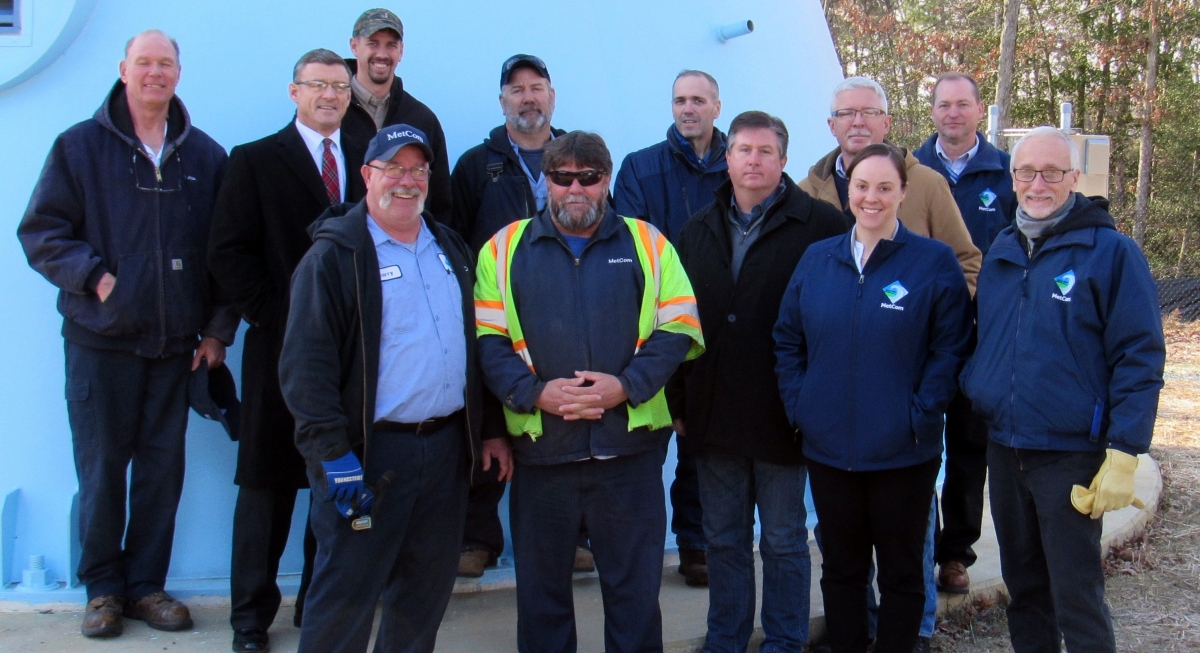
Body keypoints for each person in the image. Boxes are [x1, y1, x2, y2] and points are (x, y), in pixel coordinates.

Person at [17, 29, 236, 639]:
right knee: (103, 469)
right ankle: (104, 590)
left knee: (163, 473)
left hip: (175, 349)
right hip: (99, 344)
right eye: (144, 63)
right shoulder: (80, 148)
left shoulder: (205, 157)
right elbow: (41, 232)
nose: (154, 73)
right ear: (123, 70)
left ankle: (146, 588)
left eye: (165, 63)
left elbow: (225, 254)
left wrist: (217, 331)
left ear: (178, 73)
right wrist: (96, 278)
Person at [279, 124, 507, 653]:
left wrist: (489, 431)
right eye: (393, 168)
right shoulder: (335, 258)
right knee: (345, 599)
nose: (406, 181)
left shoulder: (450, 248)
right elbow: (304, 370)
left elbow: (478, 349)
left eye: (418, 170)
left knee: (423, 598)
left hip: (446, 453)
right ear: (366, 175)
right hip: (369, 458)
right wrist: (331, 457)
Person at [475, 131, 704, 653]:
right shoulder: (503, 249)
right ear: (546, 183)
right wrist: (534, 394)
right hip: (542, 455)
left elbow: (679, 328)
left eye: (589, 176)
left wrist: (625, 387)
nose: (575, 188)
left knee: (635, 599)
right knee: (542, 601)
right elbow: (486, 340)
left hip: (630, 454)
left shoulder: (649, 243)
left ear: (606, 181)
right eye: (562, 177)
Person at [961, 126, 1165, 653]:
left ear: (1074, 178)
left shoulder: (1112, 253)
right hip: (1006, 448)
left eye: (1052, 172)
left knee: (1075, 594)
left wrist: (1125, 449)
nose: (1038, 184)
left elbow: (1139, 355)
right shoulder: (1003, 249)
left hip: (1069, 455)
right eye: (1026, 172)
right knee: (1024, 591)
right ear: (1012, 178)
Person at [775, 143, 972, 653]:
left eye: (885, 187)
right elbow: (788, 339)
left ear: (903, 193)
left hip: (903, 451)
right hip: (828, 448)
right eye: (862, 186)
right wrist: (803, 407)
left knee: (903, 573)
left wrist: (920, 413)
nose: (872, 197)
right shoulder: (818, 260)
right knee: (841, 571)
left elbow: (950, 348)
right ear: (848, 193)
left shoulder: (933, 262)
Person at [668, 111, 848, 651]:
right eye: (743, 150)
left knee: (784, 538)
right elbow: (676, 322)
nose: (753, 160)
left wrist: (815, 402)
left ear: (783, 160)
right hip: (713, 410)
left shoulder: (821, 225)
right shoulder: (697, 227)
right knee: (721, 538)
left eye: (765, 151)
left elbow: (835, 322)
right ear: (727, 157)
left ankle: (786, 640)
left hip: (783, 411)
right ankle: (726, 638)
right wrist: (680, 399)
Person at [207, 48, 366, 653]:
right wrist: (279, 317)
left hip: (353, 354)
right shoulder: (253, 160)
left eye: (340, 88)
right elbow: (227, 251)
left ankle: (321, 605)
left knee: (339, 478)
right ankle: (250, 618)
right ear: (294, 91)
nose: (330, 96)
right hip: (278, 348)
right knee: (266, 488)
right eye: (319, 85)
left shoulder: (364, 158)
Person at [448, 55, 572, 578]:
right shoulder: (478, 165)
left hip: (568, 311)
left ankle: (574, 536)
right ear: (503, 102)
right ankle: (478, 537)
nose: (528, 97)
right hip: (496, 313)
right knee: (489, 419)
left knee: (565, 418)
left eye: (537, 87)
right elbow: (453, 238)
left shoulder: (576, 153)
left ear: (552, 96)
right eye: (516, 89)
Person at [614, 70, 730, 586]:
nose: (688, 109)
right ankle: (631, 550)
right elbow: (631, 244)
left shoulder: (739, 163)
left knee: (703, 440)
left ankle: (696, 542)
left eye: (698, 100)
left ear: (716, 107)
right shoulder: (641, 168)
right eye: (680, 99)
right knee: (650, 438)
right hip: (657, 327)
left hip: (723, 323)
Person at [912, 72, 1017, 600]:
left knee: (968, 446)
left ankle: (955, 552)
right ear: (931, 112)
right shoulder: (908, 171)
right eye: (943, 105)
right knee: (917, 442)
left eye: (962, 105)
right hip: (918, 337)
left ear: (980, 110)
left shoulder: (1006, 176)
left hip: (983, 335)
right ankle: (916, 544)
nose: (952, 113)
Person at [799, 76, 980, 293]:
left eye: (869, 112)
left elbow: (966, 263)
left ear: (886, 123)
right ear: (832, 125)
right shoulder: (806, 193)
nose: (858, 122)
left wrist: (940, 319)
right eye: (846, 113)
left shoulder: (927, 184)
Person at [342, 8, 451, 223]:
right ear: (354, 46)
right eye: (373, 43)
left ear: (401, 51)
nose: (382, 54)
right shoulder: (334, 112)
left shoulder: (422, 119)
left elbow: (441, 204)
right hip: (343, 248)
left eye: (391, 45)